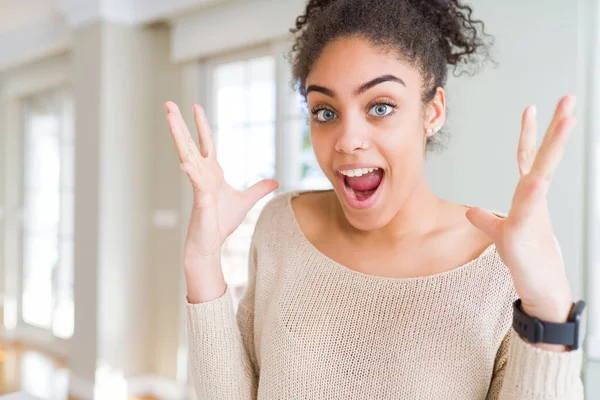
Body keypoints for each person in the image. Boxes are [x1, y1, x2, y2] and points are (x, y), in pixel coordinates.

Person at [164, 0, 584, 398]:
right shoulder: (281, 224)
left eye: (380, 106)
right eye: (325, 112)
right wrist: (202, 260)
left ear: (432, 112)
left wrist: (547, 310)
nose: (347, 141)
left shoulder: (502, 265)